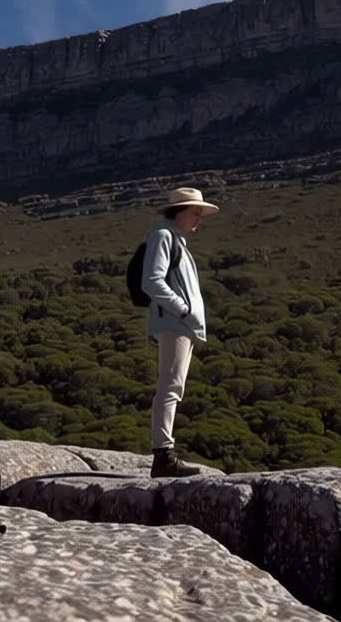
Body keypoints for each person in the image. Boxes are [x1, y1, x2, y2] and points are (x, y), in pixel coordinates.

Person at [141, 187, 218, 478]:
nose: (199, 218)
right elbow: (152, 281)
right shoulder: (164, 236)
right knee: (170, 387)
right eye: (195, 212)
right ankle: (163, 456)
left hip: (180, 324)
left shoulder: (176, 240)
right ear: (181, 211)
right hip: (175, 323)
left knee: (173, 386)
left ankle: (165, 453)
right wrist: (183, 309)